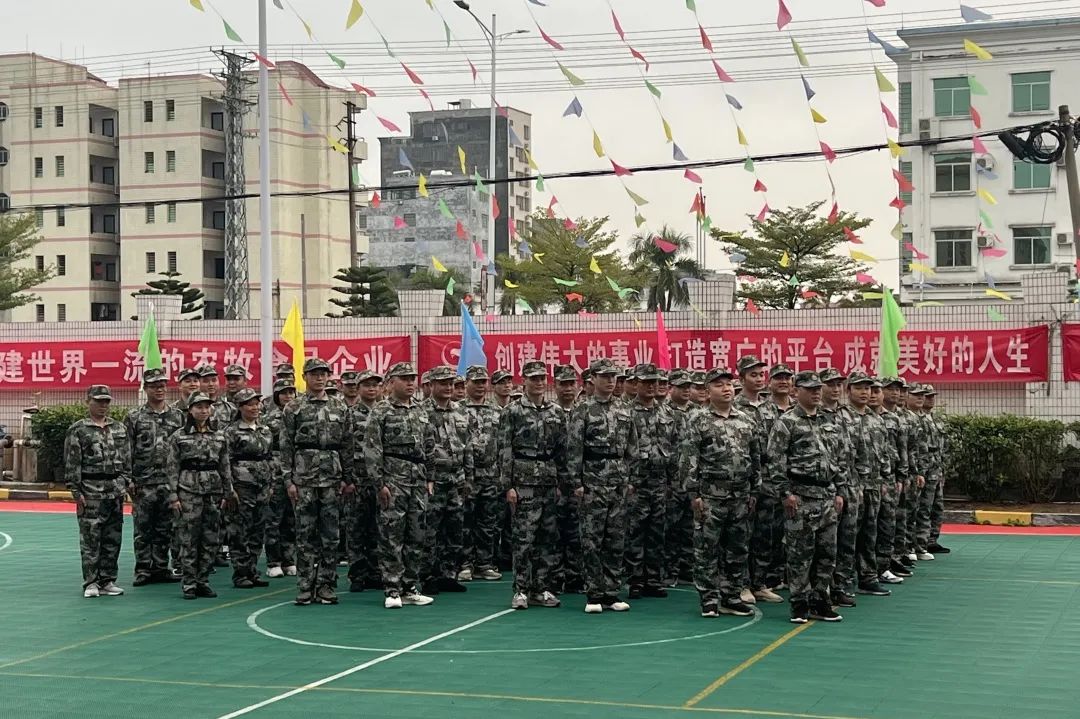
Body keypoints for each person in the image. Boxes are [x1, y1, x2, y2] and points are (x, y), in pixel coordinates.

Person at [682, 367, 760, 618]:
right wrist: (693, 494)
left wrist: (754, 490)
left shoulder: (746, 420)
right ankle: (709, 598)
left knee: (737, 548)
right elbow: (689, 459)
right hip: (710, 496)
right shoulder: (698, 420)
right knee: (707, 548)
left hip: (740, 496)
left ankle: (731, 596)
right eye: (718, 385)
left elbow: (755, 457)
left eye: (728, 384)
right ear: (707, 391)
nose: (726, 389)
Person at [767, 371, 844, 624]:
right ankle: (799, 603)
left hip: (827, 495)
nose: (816, 393)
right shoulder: (787, 422)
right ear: (796, 391)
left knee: (827, 553)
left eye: (817, 389)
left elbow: (839, 457)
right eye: (810, 389)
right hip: (800, 496)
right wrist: (785, 493)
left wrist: (839, 490)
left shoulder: (829, 420)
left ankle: (821, 601)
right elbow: (775, 460)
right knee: (799, 554)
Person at [280, 358, 355, 606]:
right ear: (304, 377)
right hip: (304, 477)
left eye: (323, 374)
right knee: (305, 534)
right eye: (314, 374)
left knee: (331, 535)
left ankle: (326, 585)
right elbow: (286, 446)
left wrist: (348, 478)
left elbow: (347, 445)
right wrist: (288, 480)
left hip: (332, 477)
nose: (319, 378)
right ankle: (305, 585)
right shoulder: (293, 407)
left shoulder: (340, 407)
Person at [567, 358, 639, 614]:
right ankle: (594, 593)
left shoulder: (625, 408)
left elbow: (632, 446)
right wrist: (576, 482)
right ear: (593, 379)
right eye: (605, 376)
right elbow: (574, 448)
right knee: (591, 540)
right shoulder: (583, 409)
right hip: (593, 480)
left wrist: (630, 478)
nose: (610, 381)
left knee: (616, 539)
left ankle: (611, 592)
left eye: (613, 377)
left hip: (618, 482)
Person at [365, 362, 436, 608]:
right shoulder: (381, 411)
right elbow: (373, 449)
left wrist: (430, 478)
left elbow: (429, 445)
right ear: (391, 382)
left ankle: (410, 586)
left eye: (412, 378)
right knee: (391, 535)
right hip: (393, 479)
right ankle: (392, 588)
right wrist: (379, 483)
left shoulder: (420, 410)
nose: (409, 383)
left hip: (418, 478)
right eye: (404, 378)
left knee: (417, 534)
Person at [500, 360, 566, 609]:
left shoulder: (556, 411)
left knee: (547, 537)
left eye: (542, 378)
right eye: (534, 378)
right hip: (523, 479)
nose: (539, 382)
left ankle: (541, 588)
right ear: (524, 381)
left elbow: (562, 450)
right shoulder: (513, 411)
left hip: (548, 480)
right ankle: (521, 589)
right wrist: (508, 485)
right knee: (523, 538)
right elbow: (504, 449)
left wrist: (562, 481)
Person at [166, 391, 236, 600]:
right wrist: (173, 495)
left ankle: (203, 581)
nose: (204, 411)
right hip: (188, 490)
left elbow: (224, 465)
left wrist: (228, 492)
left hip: (212, 491)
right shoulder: (179, 436)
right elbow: (172, 467)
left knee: (210, 538)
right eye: (199, 407)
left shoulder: (219, 435)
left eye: (207, 407)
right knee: (189, 538)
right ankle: (189, 582)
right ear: (190, 410)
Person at [65, 384, 131, 598]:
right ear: (88, 402)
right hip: (90, 491)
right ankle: (91, 582)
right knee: (91, 540)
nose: (103, 405)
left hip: (114, 491)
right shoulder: (78, 430)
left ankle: (108, 580)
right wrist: (76, 491)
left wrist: (124, 482)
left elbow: (127, 459)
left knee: (113, 538)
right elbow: (72, 462)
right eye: (98, 401)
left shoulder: (119, 428)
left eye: (106, 401)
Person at [125, 368, 184, 586]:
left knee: (165, 527)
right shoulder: (134, 417)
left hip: (169, 482)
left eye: (162, 385)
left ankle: (160, 567)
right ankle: (143, 569)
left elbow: (183, 449)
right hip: (144, 481)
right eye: (153, 386)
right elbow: (127, 449)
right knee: (143, 528)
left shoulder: (177, 416)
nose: (159, 389)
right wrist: (129, 479)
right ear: (146, 388)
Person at [625, 363, 678, 600]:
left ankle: (654, 579)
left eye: (654, 382)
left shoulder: (667, 413)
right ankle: (635, 580)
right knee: (635, 531)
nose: (651, 386)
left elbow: (675, 447)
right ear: (636, 384)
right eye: (646, 382)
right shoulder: (626, 412)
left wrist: (672, 481)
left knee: (657, 532)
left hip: (659, 481)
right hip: (636, 482)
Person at [422, 365, 473, 595]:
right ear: (431, 385)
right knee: (430, 529)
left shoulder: (461, 411)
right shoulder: (422, 411)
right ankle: (428, 575)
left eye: (451, 383)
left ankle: (448, 574)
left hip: (457, 478)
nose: (448, 387)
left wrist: (468, 477)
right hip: (434, 479)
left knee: (455, 528)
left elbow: (468, 446)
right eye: (443, 383)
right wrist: (427, 477)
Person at [843, 372, 892, 598]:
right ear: (849, 390)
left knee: (870, 534)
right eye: (859, 388)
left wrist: (884, 478)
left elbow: (883, 453)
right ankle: (844, 580)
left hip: (874, 486)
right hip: (852, 487)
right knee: (847, 536)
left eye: (868, 388)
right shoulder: (841, 417)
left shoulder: (876, 419)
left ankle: (868, 577)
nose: (865, 392)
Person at [224, 388, 273, 589]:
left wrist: (270, 483)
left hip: (262, 486)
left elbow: (269, 457)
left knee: (257, 530)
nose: (255, 408)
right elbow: (225, 462)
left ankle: (252, 570)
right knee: (239, 531)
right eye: (250, 404)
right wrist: (229, 489)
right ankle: (241, 573)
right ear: (240, 407)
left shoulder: (265, 429)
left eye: (256, 403)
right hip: (241, 487)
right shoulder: (231, 432)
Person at [819, 368, 858, 609]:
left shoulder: (847, 414)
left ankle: (841, 585)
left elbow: (854, 452)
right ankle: (823, 588)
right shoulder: (815, 415)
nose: (835, 389)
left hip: (849, 485)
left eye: (838, 384)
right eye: (830, 384)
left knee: (847, 538)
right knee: (825, 543)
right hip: (825, 489)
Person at [460, 365, 504, 582]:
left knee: (488, 522)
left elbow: (503, 443)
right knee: (465, 521)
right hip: (467, 476)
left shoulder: (497, 411)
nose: (480, 386)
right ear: (466, 383)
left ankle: (484, 563)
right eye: (475, 382)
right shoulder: (458, 409)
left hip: (490, 475)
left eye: (483, 382)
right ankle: (465, 564)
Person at [345, 370, 384, 593]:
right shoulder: (350, 415)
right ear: (358, 388)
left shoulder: (385, 412)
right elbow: (345, 447)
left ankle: (375, 571)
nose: (371, 389)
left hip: (379, 479)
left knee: (379, 527)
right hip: (357, 479)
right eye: (367, 385)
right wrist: (347, 478)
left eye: (375, 385)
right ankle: (357, 574)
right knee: (356, 527)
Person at [552, 364, 583, 593]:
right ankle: (554, 577)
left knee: (577, 531)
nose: (568, 388)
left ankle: (575, 576)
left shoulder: (584, 412)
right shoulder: (549, 412)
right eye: (563, 384)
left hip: (579, 483)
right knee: (554, 531)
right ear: (555, 386)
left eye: (571, 383)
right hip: (554, 482)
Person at [663, 369, 695, 587]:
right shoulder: (664, 412)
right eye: (681, 387)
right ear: (670, 388)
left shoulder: (698, 412)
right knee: (671, 527)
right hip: (672, 479)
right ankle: (670, 570)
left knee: (690, 527)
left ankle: (687, 568)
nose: (685, 390)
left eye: (687, 387)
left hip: (691, 479)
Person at [876, 377, 909, 587]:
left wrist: (901, 475)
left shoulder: (892, 419)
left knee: (888, 522)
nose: (896, 393)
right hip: (865, 481)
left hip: (888, 478)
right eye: (890, 389)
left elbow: (901, 449)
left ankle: (885, 563)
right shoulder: (849, 418)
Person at [264, 378, 297, 579]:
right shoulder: (268, 418)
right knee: (274, 518)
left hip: (295, 468)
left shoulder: (299, 414)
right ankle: (273, 561)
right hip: (275, 470)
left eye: (291, 392)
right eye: (284, 393)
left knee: (291, 518)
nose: (288, 396)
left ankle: (288, 559)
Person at [918, 385, 950, 555]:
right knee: (924, 507)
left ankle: (932, 539)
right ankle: (921, 541)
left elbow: (943, 447)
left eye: (932, 396)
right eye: (927, 396)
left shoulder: (936, 419)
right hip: (926, 470)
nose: (930, 399)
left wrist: (943, 468)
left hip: (937, 470)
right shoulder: (918, 419)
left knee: (937, 507)